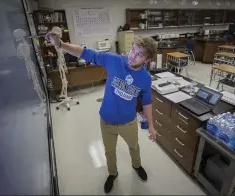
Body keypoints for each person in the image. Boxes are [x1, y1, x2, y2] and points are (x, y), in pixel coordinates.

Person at [46, 30, 157, 194]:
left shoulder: (145, 78)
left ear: (146, 60)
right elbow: (86, 53)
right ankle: (112, 174)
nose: (133, 56)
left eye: (139, 55)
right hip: (107, 121)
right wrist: (60, 45)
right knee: (109, 150)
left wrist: (151, 126)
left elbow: (147, 102)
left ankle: (137, 165)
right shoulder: (114, 60)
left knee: (134, 147)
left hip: (129, 122)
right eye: (133, 49)